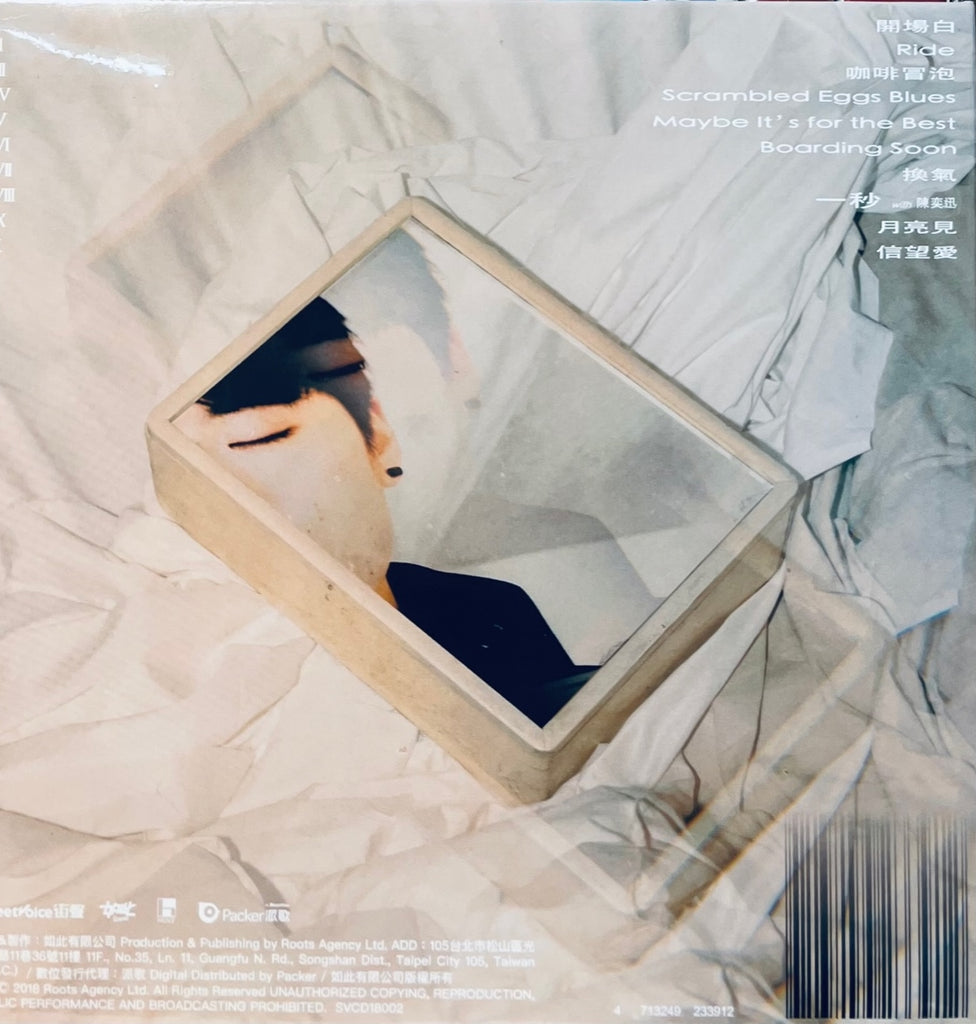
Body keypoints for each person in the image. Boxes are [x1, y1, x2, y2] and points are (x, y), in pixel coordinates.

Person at [178, 296, 597, 726]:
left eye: (263, 439)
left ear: (379, 442)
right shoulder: (217, 670)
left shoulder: (493, 609)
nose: (255, 506)